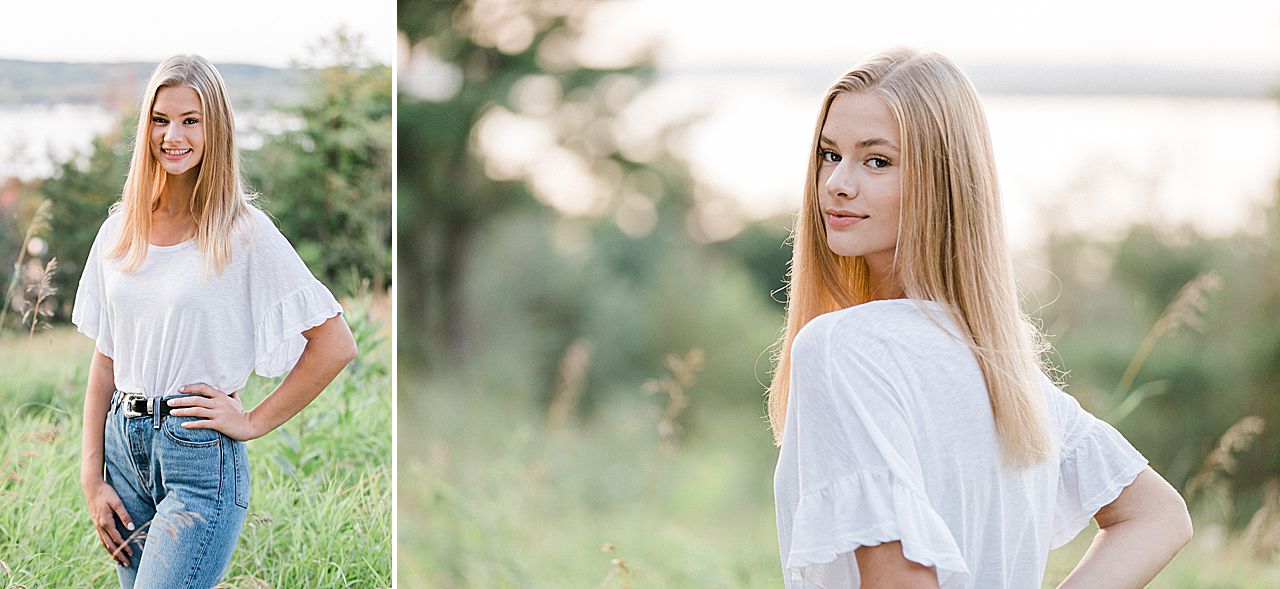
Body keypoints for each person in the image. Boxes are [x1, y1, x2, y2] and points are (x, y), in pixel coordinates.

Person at [769, 48, 1192, 589]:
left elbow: (902, 581)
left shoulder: (841, 348)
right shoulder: (1011, 378)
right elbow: (1158, 516)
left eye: (877, 161)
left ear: (941, 181)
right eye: (830, 154)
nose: (836, 183)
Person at [72, 54, 358, 588]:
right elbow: (106, 360)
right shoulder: (119, 230)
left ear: (216, 129)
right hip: (123, 454)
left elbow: (335, 342)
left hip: (198, 460)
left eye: (191, 120)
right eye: (160, 120)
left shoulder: (243, 232)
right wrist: (92, 476)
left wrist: (252, 422)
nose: (172, 136)